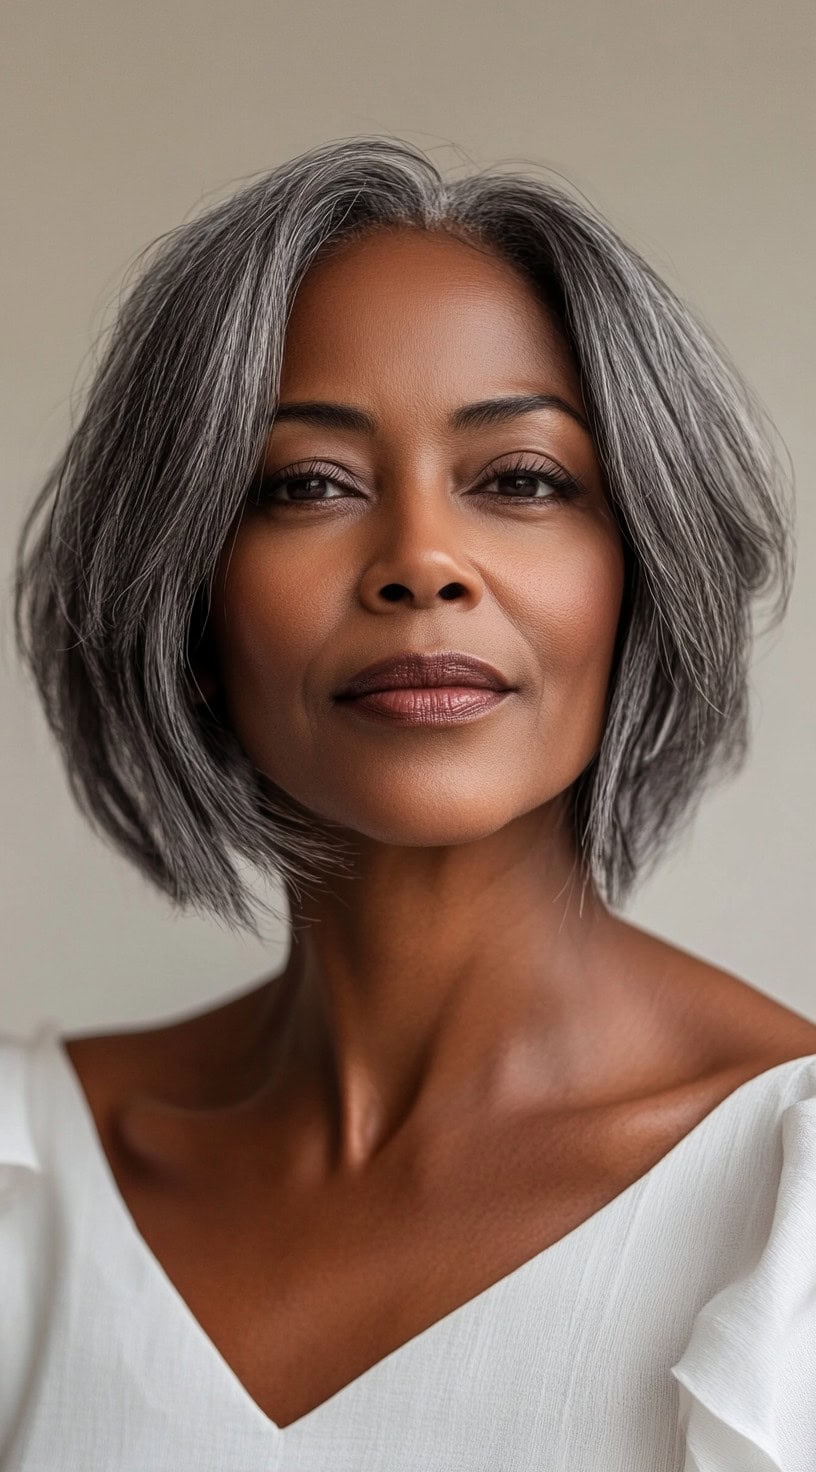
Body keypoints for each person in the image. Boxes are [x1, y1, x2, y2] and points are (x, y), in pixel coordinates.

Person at [3, 135, 815, 1471]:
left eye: (522, 481)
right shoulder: (27, 1181)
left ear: (640, 579)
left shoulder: (790, 1212)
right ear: (188, 607)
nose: (422, 561)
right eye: (306, 486)